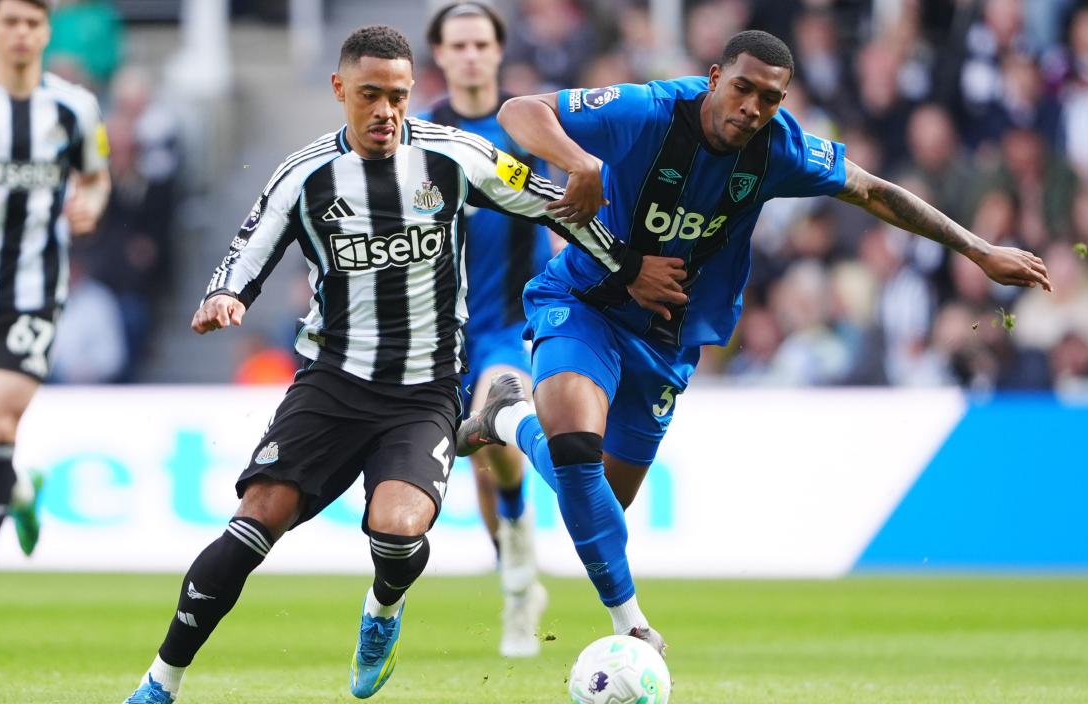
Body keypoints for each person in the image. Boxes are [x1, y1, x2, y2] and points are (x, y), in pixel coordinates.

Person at [123, 25, 683, 703]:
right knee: (257, 518)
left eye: (397, 96)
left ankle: (382, 610)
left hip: (424, 392)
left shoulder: (456, 156)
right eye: (370, 95)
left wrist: (628, 267)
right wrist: (225, 295)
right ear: (340, 89)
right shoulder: (304, 174)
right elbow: (248, 247)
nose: (385, 111)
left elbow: (554, 204)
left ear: (413, 91)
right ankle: (159, 683)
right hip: (331, 384)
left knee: (398, 529)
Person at [458, 30, 1052, 653]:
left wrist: (979, 250)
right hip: (585, 304)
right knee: (577, 451)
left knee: (598, 497)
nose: (752, 108)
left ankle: (510, 418)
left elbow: (874, 191)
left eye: (770, 98)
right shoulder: (648, 110)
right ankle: (632, 626)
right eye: (742, 88)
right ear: (715, 78)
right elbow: (520, 110)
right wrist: (580, 163)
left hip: (666, 339)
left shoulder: (780, 148)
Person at [0, 0, 111, 636]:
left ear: (45, 31)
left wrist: (90, 206)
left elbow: (97, 177)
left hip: (35, 292)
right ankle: (21, 490)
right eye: (10, 21)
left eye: (32, 23)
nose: (21, 33)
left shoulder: (74, 107)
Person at [422, 0, 549, 658]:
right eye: (459, 45)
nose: (471, 55)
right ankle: (516, 576)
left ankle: (520, 577)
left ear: (498, 51)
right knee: (480, 466)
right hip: (442, 335)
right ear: (440, 55)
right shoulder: (419, 136)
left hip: (511, 324)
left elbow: (566, 211)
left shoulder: (528, 128)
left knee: (497, 415)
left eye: (481, 44)